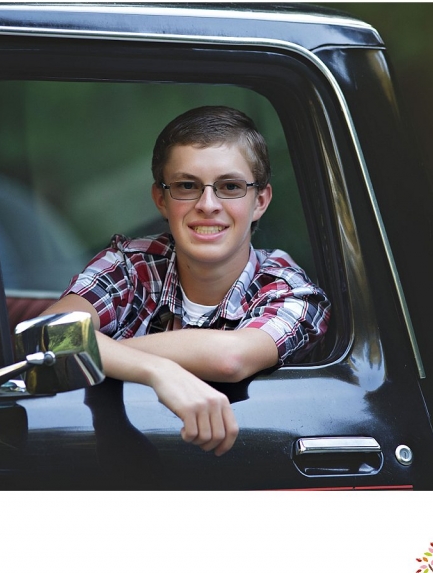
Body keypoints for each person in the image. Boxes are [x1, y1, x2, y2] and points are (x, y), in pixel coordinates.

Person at [42, 105, 330, 456]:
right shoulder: (132, 265)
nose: (208, 204)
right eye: (187, 185)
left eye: (230, 186)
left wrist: (92, 351)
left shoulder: (290, 291)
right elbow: (47, 333)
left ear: (260, 201)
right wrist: (155, 371)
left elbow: (230, 358)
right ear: (161, 199)